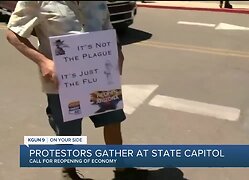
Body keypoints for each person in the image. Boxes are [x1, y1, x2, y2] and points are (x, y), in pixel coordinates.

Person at [6, 1, 147, 180]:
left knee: (113, 121)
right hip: (64, 83)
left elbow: (107, 28)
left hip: (100, 77)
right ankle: (69, 172)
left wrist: (117, 50)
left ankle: (121, 169)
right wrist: (43, 62)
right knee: (68, 134)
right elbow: (13, 34)